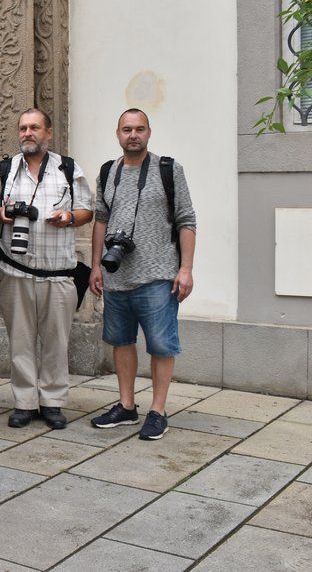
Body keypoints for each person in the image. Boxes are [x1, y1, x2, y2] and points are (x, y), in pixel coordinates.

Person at [89, 108, 196, 440]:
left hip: (158, 275)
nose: (133, 135)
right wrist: (96, 266)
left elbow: (186, 220)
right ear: (118, 134)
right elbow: (100, 220)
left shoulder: (168, 169)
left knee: (161, 345)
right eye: (127, 129)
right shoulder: (108, 171)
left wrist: (186, 269)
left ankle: (158, 411)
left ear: (148, 133)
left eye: (139, 129)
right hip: (117, 275)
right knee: (121, 342)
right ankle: (126, 405)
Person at [0, 108, 93, 430]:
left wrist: (69, 217)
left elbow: (86, 210)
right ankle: (24, 402)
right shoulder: (5, 169)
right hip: (15, 271)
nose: (27, 133)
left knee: (56, 342)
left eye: (34, 127)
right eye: (23, 128)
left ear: (48, 133)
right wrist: (1, 214)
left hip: (58, 273)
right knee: (20, 341)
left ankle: (52, 402)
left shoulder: (68, 168)